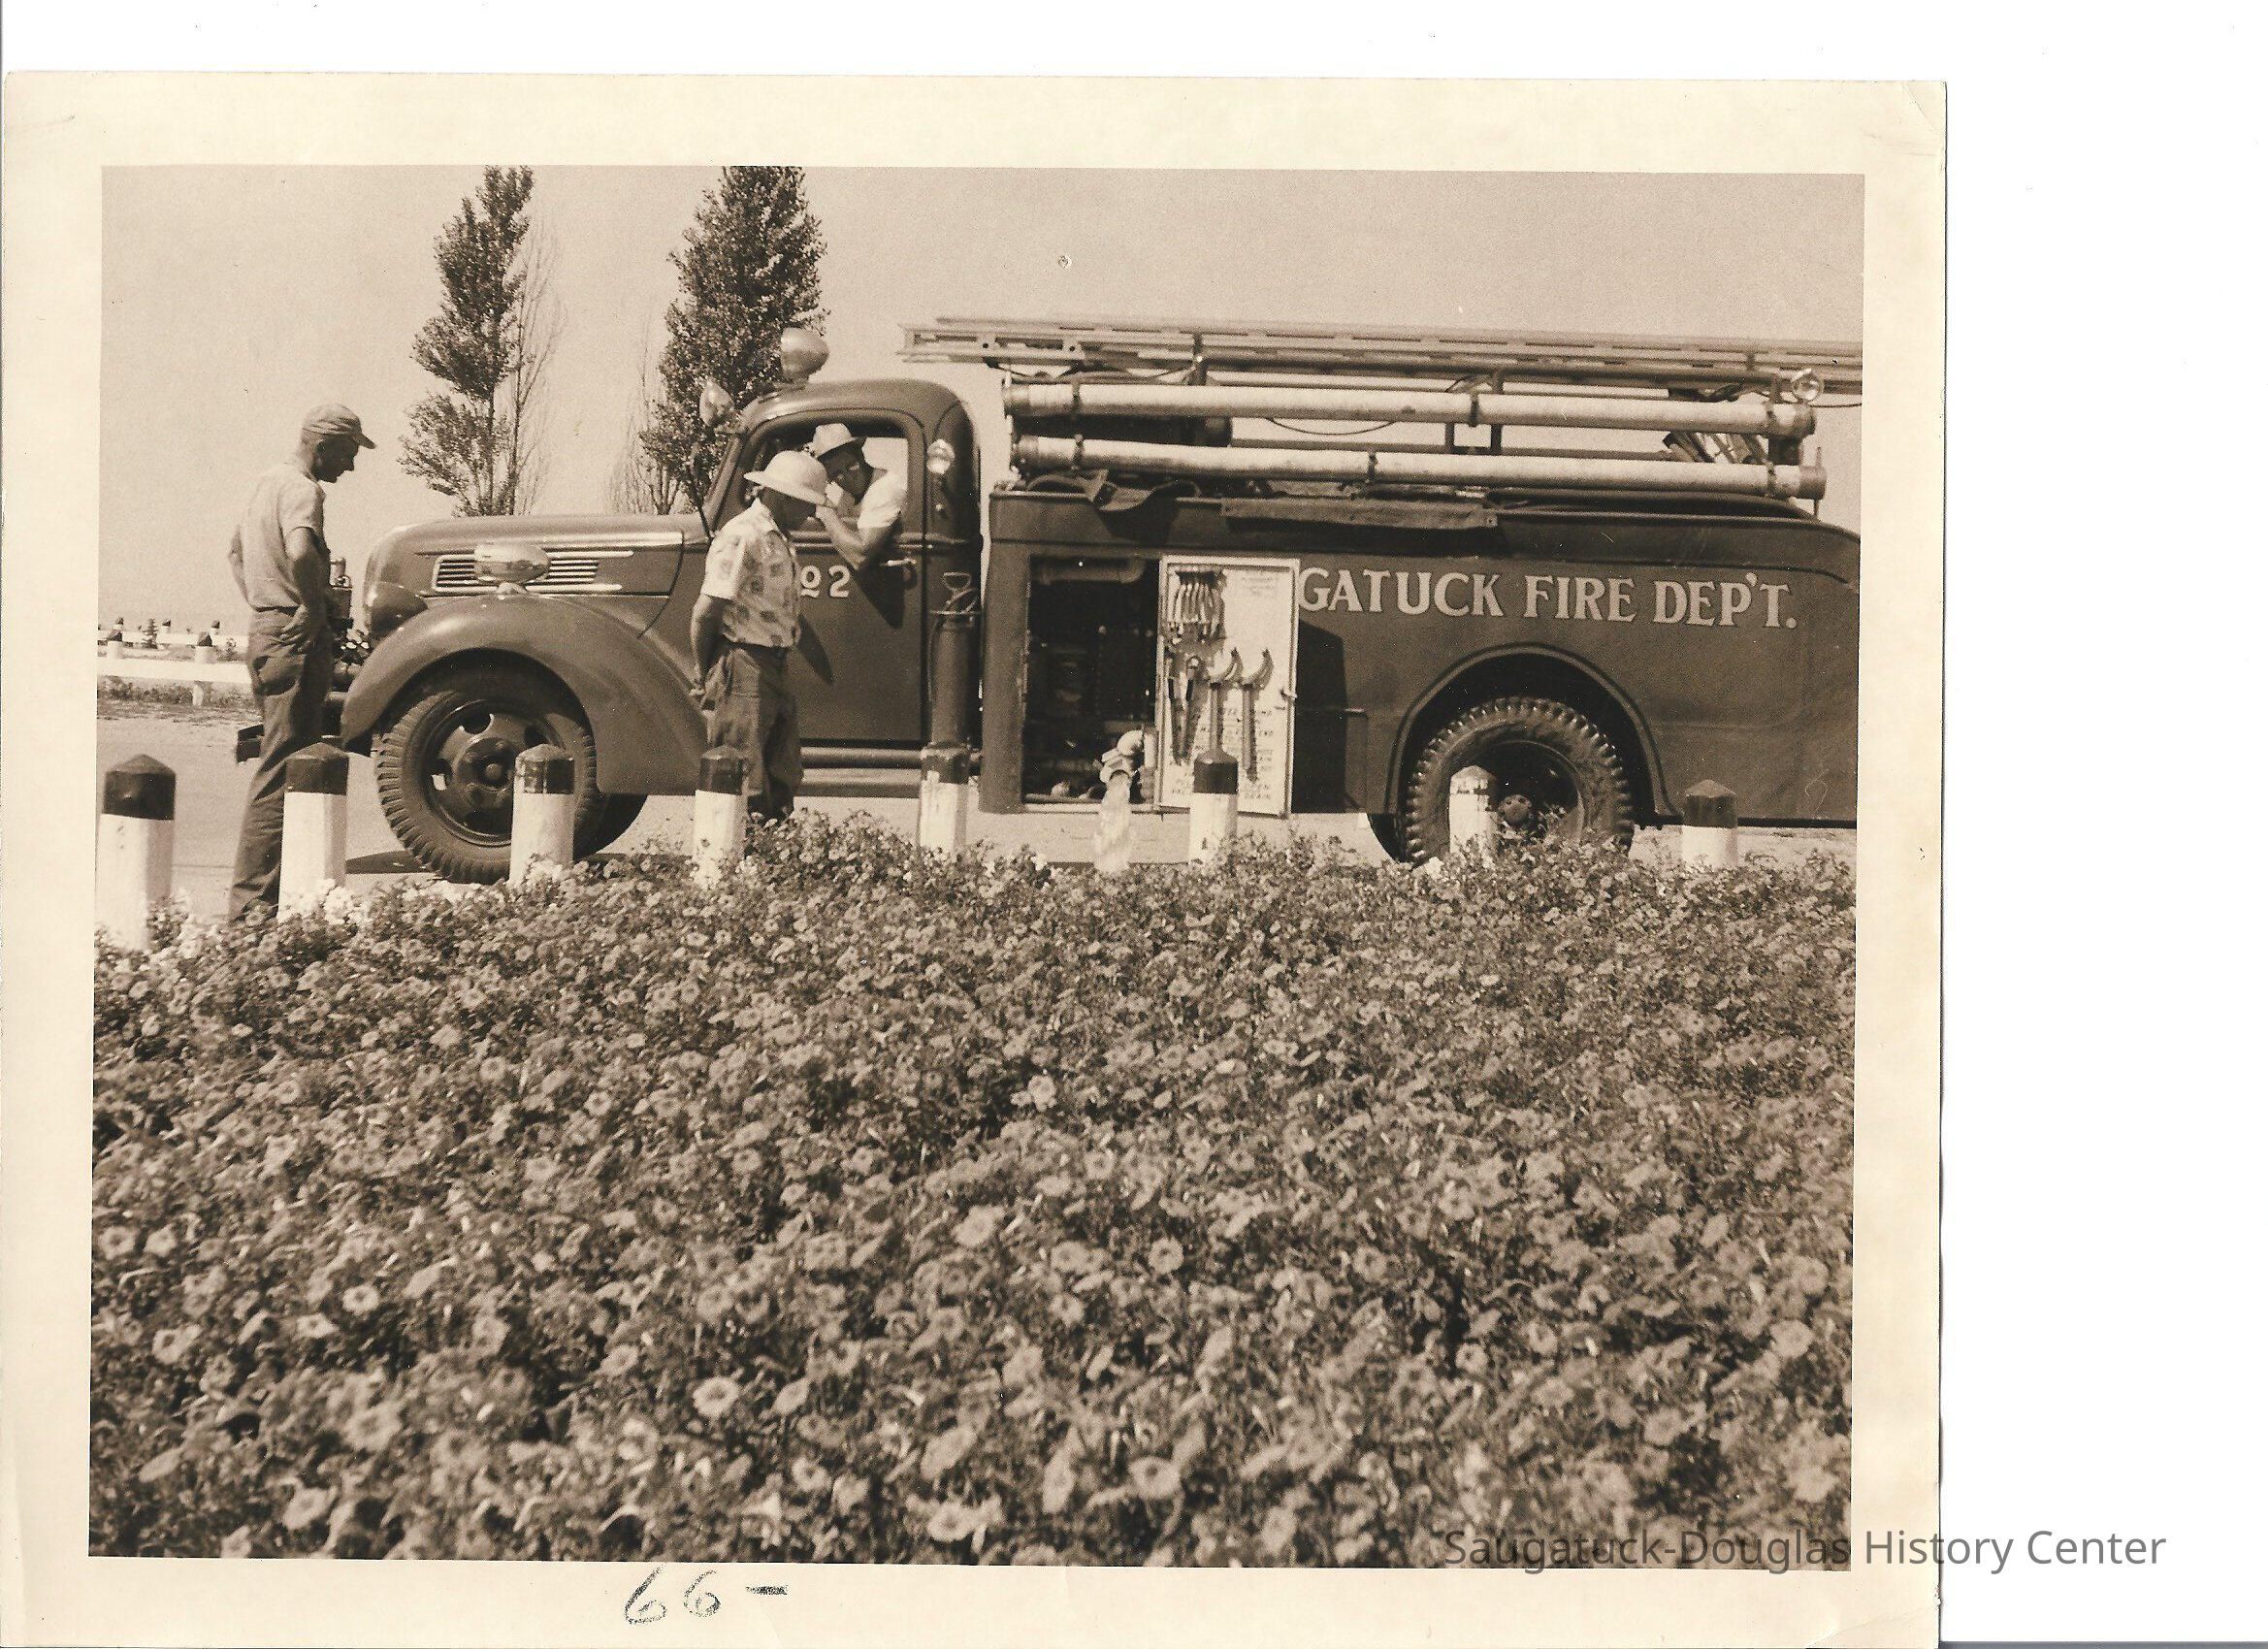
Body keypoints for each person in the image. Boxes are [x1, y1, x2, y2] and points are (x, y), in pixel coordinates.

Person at [225, 404, 374, 921]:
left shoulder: (267, 482)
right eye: (350, 453)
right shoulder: (304, 490)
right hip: (296, 637)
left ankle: (265, 900)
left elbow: (237, 554)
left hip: (270, 630)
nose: (351, 466)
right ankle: (251, 911)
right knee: (282, 769)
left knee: (281, 762)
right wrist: (309, 606)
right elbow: (302, 551)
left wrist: (265, 604)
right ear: (325, 444)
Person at [692, 450, 829, 826]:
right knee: (744, 772)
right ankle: (739, 866)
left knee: (782, 771)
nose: (811, 514)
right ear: (782, 497)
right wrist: (708, 671)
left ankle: (772, 862)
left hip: (773, 664)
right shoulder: (743, 536)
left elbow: (786, 610)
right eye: (807, 504)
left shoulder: (778, 539)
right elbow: (706, 612)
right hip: (744, 664)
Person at [809, 423, 906, 573]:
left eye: (850, 466)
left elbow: (860, 556)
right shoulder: (850, 494)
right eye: (837, 473)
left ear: (861, 456)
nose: (848, 477)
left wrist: (827, 514)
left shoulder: (884, 488)